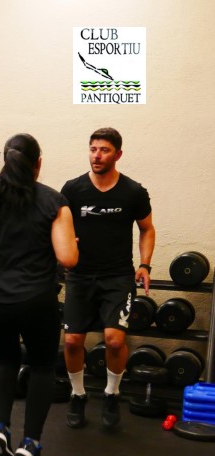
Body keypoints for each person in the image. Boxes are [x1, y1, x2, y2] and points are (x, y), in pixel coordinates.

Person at [0, 133, 78, 456]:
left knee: (6, 358)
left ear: (5, 161)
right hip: (34, 302)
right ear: (38, 163)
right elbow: (68, 258)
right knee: (42, 365)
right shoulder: (53, 201)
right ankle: (31, 443)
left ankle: (0, 428)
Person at [61, 127, 154, 430]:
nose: (97, 156)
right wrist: (64, 246)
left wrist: (145, 265)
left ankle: (112, 393)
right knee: (72, 340)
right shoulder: (73, 189)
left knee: (114, 341)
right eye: (93, 149)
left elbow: (147, 229)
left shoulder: (133, 192)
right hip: (80, 276)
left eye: (104, 150)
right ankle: (78, 394)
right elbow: (59, 226)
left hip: (117, 276)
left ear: (118, 154)